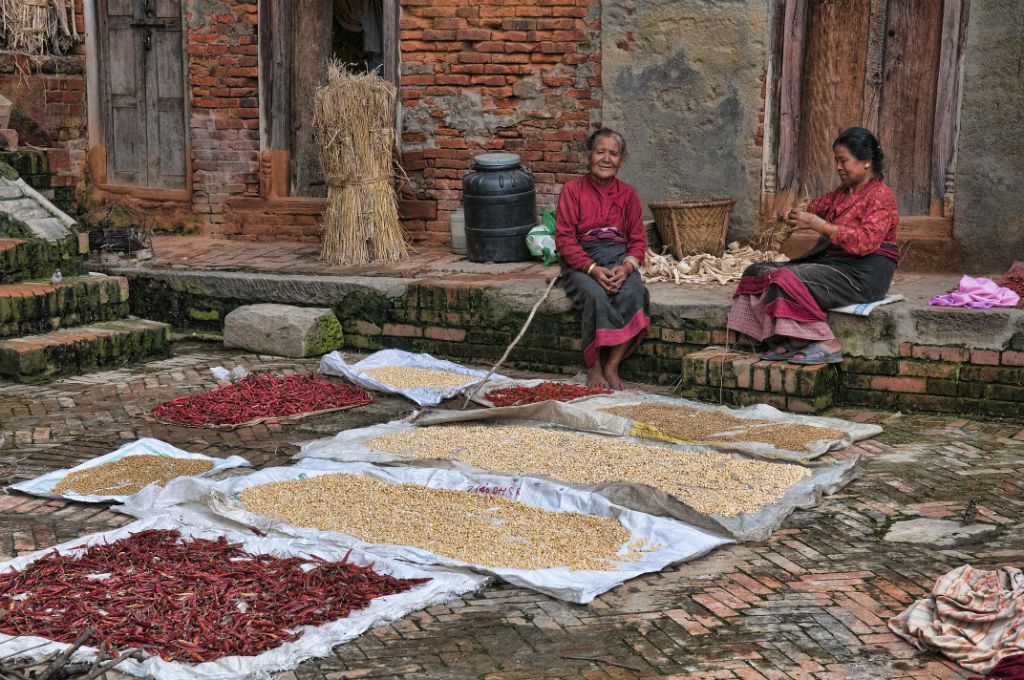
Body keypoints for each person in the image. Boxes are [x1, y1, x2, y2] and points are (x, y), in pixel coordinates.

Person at [728, 127, 899, 364]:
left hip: (863, 275)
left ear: (867, 161)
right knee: (756, 271)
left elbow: (864, 242)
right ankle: (796, 339)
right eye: (836, 160)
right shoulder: (841, 194)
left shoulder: (881, 196)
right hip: (835, 265)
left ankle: (826, 341)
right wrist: (790, 213)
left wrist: (819, 225)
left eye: (843, 160)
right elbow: (811, 208)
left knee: (785, 279)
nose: (838, 167)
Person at [555, 128, 650, 390]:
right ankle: (594, 366)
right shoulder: (572, 191)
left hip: (617, 258)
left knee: (633, 292)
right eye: (600, 152)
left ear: (621, 160)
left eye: (613, 154)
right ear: (589, 156)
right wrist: (593, 269)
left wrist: (627, 268)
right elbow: (564, 239)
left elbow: (638, 241)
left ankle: (612, 365)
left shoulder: (628, 194)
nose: (606, 159)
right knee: (596, 296)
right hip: (581, 262)